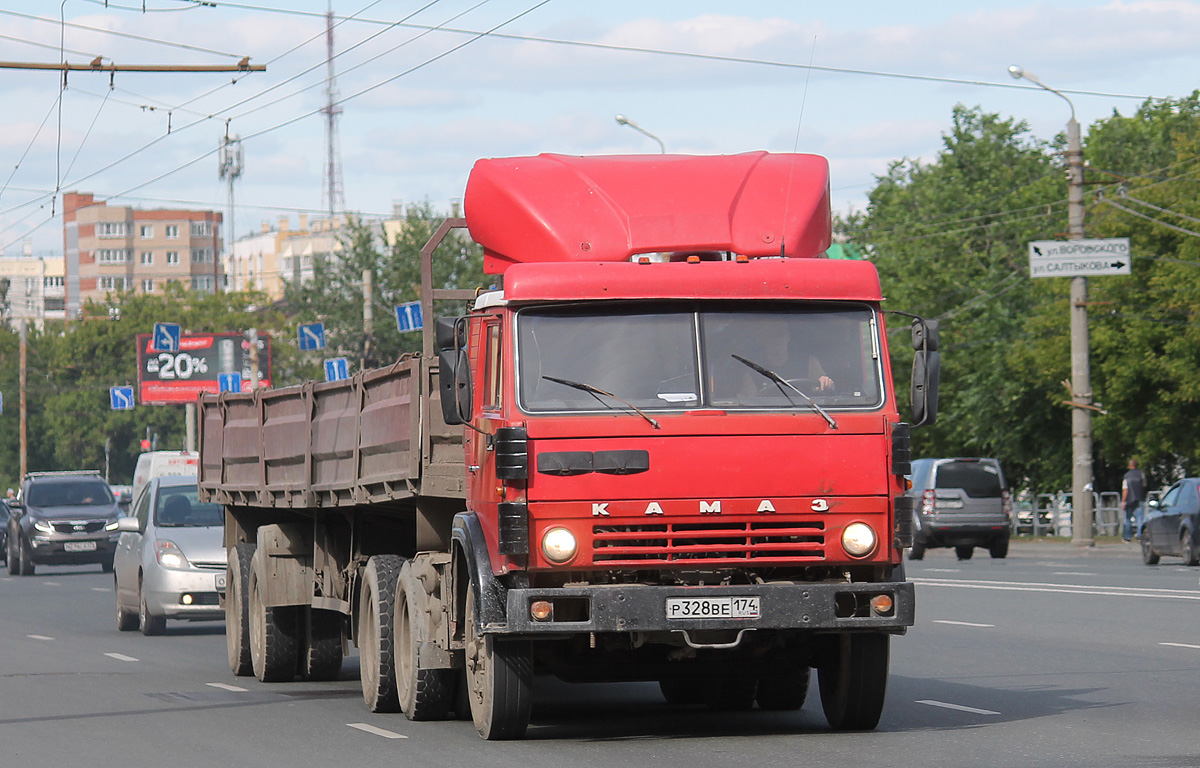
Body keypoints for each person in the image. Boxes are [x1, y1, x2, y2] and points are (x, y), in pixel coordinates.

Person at [1121, 458, 1147, 542]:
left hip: (1129, 499)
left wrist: (1123, 501)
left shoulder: (1127, 476)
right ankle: (1139, 536)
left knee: (1128, 518)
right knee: (1140, 518)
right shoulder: (1141, 474)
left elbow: (1125, 489)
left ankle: (1128, 537)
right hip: (1139, 498)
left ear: (1130, 465)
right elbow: (1144, 485)